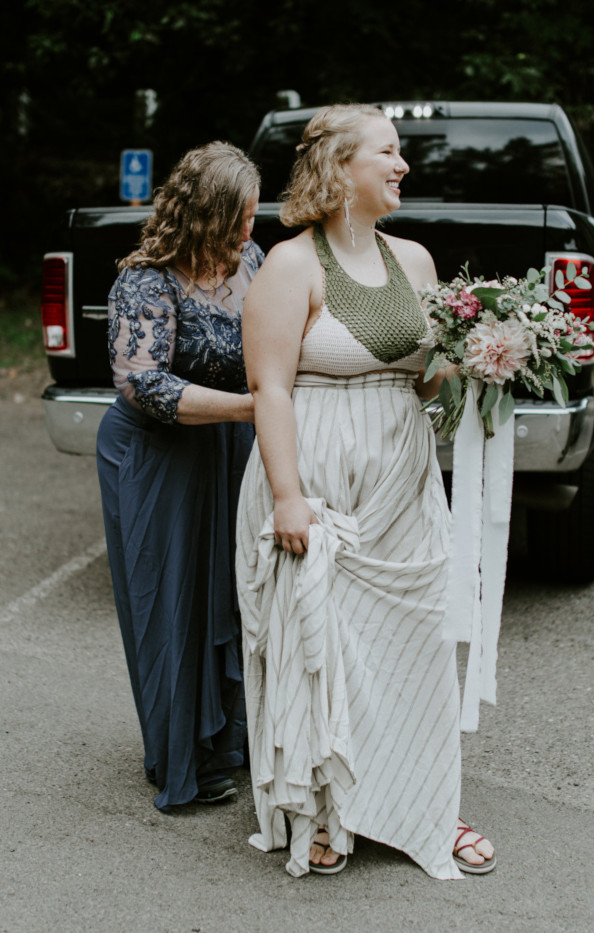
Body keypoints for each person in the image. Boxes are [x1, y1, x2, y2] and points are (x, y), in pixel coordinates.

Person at [235, 103, 496, 878]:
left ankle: (426, 802)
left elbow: (425, 376)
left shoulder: (415, 260)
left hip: (401, 479)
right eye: (388, 151)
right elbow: (269, 387)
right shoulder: (291, 265)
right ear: (341, 168)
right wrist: (288, 496)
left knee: (413, 641)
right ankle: (326, 809)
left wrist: (487, 355)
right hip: (316, 480)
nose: (403, 165)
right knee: (326, 647)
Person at [96, 141, 263, 810]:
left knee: (232, 594)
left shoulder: (253, 261)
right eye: (240, 216)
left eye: (255, 215)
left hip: (231, 446)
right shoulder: (148, 279)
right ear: (204, 216)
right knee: (168, 601)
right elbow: (145, 385)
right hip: (157, 453)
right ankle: (180, 752)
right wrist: (253, 405)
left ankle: (226, 738)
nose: (252, 229)